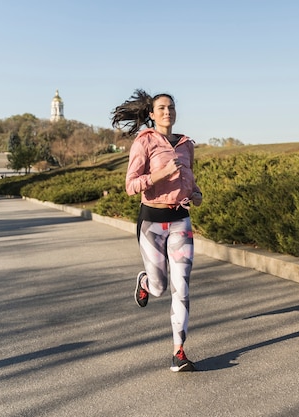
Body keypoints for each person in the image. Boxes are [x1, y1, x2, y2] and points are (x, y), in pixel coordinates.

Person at [111, 89, 203, 372]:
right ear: (151, 115)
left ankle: (179, 352)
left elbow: (190, 178)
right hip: (151, 221)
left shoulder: (186, 144)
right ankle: (146, 283)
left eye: (171, 107)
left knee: (182, 288)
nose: (167, 112)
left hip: (180, 220)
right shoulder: (144, 142)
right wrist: (159, 176)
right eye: (161, 108)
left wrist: (197, 193)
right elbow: (131, 186)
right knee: (161, 288)